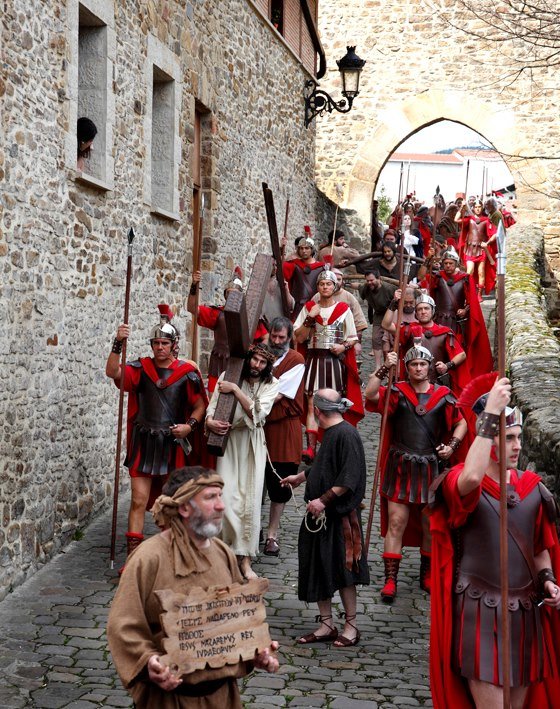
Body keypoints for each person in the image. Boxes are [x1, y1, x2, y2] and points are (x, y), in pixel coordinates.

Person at [430, 376, 560, 709]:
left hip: (525, 615)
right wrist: (489, 413)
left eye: (519, 438)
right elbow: (472, 478)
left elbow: (540, 548)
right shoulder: (459, 482)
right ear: (488, 438)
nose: (517, 446)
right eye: (508, 438)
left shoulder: (533, 488)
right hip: (478, 612)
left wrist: (548, 581)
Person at [107, 466, 279, 708]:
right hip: (169, 700)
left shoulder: (223, 553)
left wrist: (256, 650)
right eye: (210, 497)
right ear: (185, 507)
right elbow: (122, 624)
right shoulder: (149, 557)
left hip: (223, 698)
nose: (221, 505)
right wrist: (149, 661)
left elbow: (236, 617)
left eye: (221, 496)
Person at [365, 344, 466, 602]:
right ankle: (390, 579)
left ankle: (427, 575)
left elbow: (462, 422)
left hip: (431, 467)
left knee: (428, 526)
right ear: (407, 368)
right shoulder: (398, 392)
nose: (418, 368)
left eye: (422, 364)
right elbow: (370, 395)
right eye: (413, 365)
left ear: (429, 367)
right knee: (396, 523)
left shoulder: (443, 395)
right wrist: (384, 368)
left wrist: (452, 446)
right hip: (400, 466)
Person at [105, 306, 209, 559]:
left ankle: (172, 553)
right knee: (139, 500)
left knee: (172, 502)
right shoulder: (141, 369)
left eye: (164, 343)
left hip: (172, 445)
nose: (159, 347)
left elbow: (200, 406)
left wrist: (190, 427)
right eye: (155, 343)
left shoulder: (187, 374)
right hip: (144, 443)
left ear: (173, 345)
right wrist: (118, 342)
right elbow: (113, 372)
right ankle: (133, 560)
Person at [282, 389, 370, 647]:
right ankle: (326, 624)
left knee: (344, 570)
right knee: (317, 566)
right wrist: (301, 478)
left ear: (317, 411)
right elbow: (326, 465)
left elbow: (348, 478)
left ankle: (351, 626)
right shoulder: (331, 433)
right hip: (318, 516)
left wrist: (323, 501)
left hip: (339, 517)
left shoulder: (346, 434)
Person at [205, 344, 278, 580]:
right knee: (226, 499)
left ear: (267, 366)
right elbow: (212, 406)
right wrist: (209, 423)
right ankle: (223, 557)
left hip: (252, 443)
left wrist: (236, 390)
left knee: (250, 499)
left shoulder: (270, 385)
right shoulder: (229, 375)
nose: (256, 365)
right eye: (254, 359)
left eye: (262, 362)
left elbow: (257, 414)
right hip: (229, 442)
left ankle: (245, 561)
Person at [294, 269, 364, 462]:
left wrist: (343, 346)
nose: (325, 287)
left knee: (333, 406)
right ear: (318, 287)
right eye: (322, 284)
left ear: (335, 287)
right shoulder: (309, 308)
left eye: (328, 284)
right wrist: (310, 318)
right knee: (311, 404)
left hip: (334, 362)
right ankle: (310, 448)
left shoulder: (343, 309)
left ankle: (331, 446)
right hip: (314, 360)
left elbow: (353, 337)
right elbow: (298, 337)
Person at [262, 317, 305, 556]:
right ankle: (252, 528)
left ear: (289, 338)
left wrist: (253, 406)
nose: (277, 342)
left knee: (280, 482)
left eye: (282, 338)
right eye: (274, 337)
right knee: (257, 479)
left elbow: (276, 394)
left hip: (283, 428)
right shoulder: (261, 355)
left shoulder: (295, 360)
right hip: (260, 426)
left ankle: (272, 535)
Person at [187, 269, 268, 393]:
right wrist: (194, 286)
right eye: (229, 293)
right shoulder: (217, 313)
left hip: (242, 364)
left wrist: (255, 353)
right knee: (214, 397)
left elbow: (266, 338)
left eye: (235, 294)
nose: (231, 297)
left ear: (241, 296)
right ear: (225, 295)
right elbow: (192, 308)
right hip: (219, 362)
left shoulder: (250, 317)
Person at [418, 246, 493, 377]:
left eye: (450, 263)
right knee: (435, 349)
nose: (448, 266)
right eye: (445, 263)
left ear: (456, 264)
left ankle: (455, 376)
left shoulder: (465, 279)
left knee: (455, 351)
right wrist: (428, 259)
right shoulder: (437, 277)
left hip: (456, 323)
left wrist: (465, 310)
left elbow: (472, 301)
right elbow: (421, 277)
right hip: (438, 320)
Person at [381, 291, 469, 395]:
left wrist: (447, 366)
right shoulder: (408, 329)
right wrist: (394, 302)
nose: (423, 312)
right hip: (411, 383)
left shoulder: (444, 332)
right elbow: (386, 324)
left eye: (426, 308)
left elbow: (461, 354)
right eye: (419, 309)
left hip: (436, 384)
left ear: (432, 311)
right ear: (416, 313)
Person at [311, 268, 368, 358]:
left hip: (343, 345)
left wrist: (357, 343)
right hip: (319, 345)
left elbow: (359, 323)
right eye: (334, 279)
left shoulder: (349, 298)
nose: (337, 282)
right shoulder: (317, 297)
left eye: (339, 279)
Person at [282, 227, 325, 320]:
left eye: (307, 248)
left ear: (312, 249)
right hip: (298, 307)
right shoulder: (293, 264)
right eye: (301, 248)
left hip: (316, 306)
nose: (304, 251)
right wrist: (281, 249)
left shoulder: (322, 267)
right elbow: (279, 268)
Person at [359, 269, 397, 368]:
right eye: (367, 281)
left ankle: (390, 363)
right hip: (379, 315)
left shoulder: (389, 289)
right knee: (376, 338)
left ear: (379, 279)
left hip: (391, 314)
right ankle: (378, 365)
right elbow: (357, 286)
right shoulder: (366, 288)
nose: (369, 283)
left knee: (389, 340)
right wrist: (346, 284)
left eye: (371, 280)